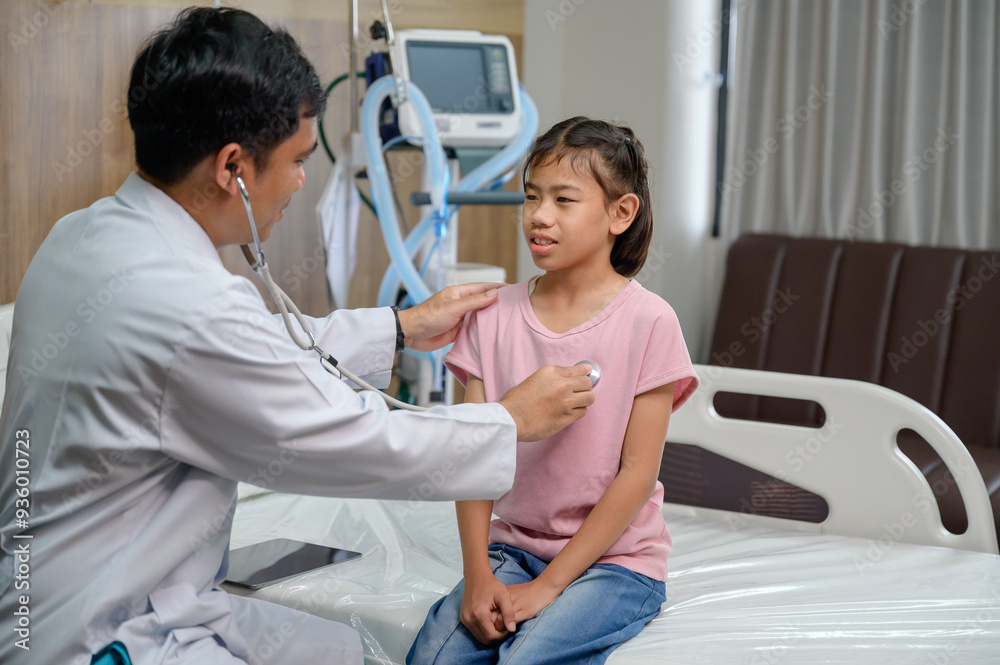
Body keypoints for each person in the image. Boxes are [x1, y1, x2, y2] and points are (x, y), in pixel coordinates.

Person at [0, 9, 595, 665]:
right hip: (100, 631)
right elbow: (344, 435)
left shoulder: (81, 237)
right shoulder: (187, 304)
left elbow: (249, 351)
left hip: (83, 592)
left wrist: (398, 329)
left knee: (344, 649)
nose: (301, 180)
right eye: (296, 160)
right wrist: (505, 422)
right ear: (233, 168)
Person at [406, 117, 700, 665]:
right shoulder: (492, 316)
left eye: (564, 200)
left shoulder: (649, 323)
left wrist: (549, 587)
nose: (539, 216)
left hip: (616, 563)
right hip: (510, 550)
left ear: (621, 213)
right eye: (531, 197)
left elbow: (638, 475)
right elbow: (474, 452)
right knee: (433, 659)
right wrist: (476, 576)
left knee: (525, 659)